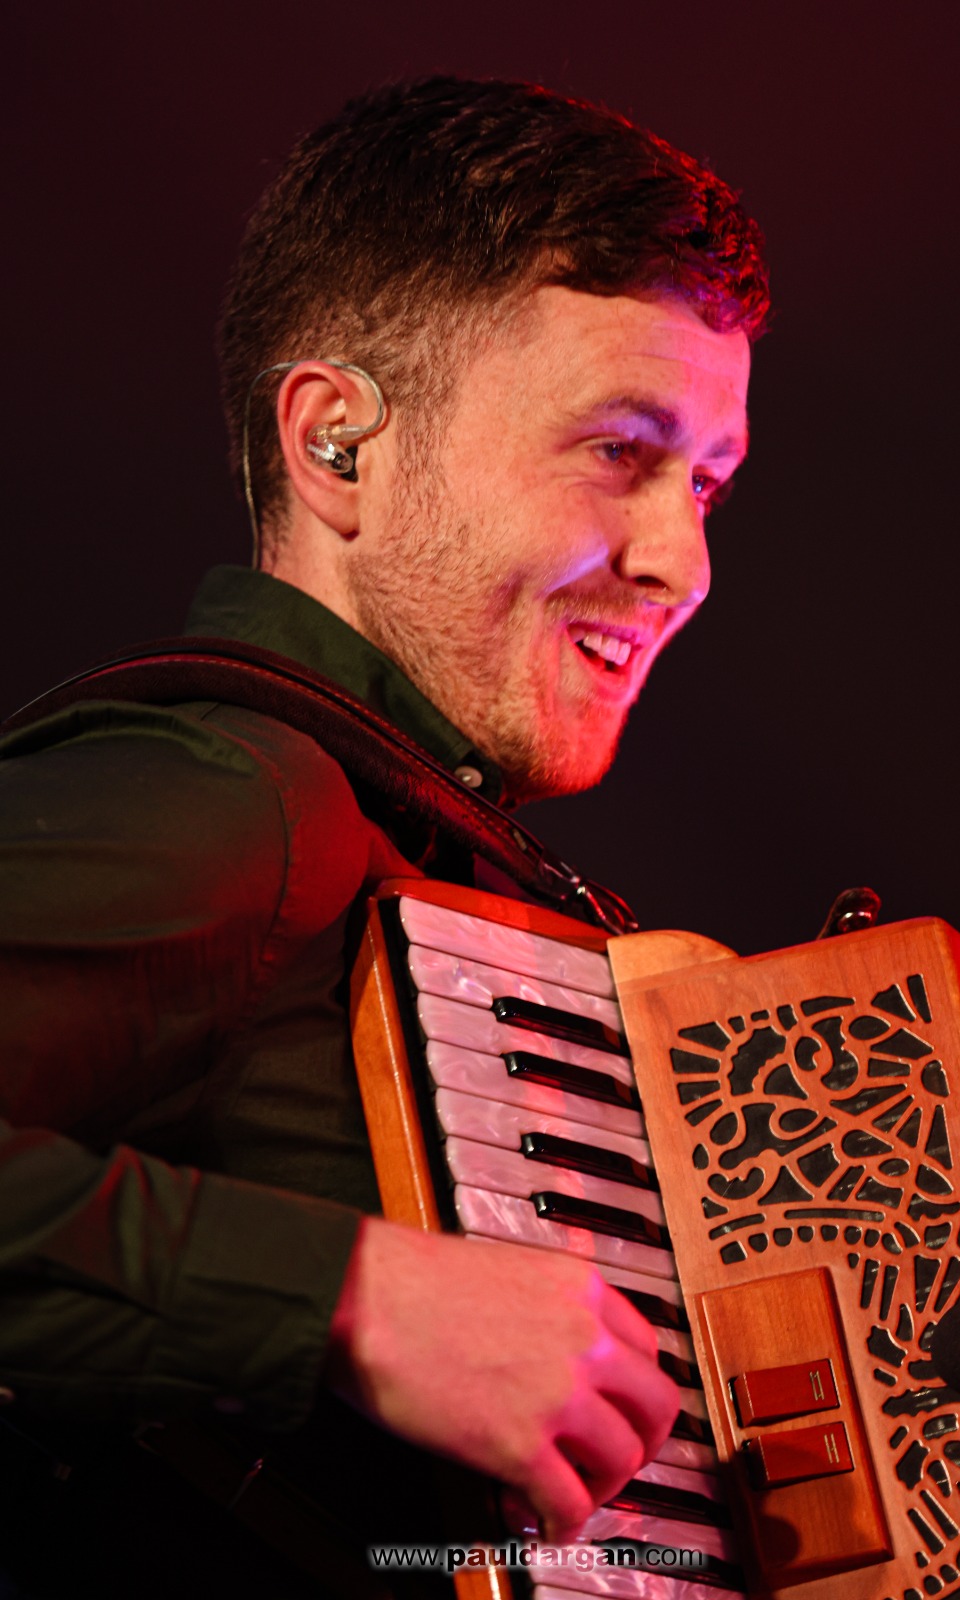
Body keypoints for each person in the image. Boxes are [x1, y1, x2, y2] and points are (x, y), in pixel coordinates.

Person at [0, 77, 769, 1595]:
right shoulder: (235, 795)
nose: (680, 559)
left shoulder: (415, 857)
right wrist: (351, 1298)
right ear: (338, 445)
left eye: (706, 481)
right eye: (618, 449)